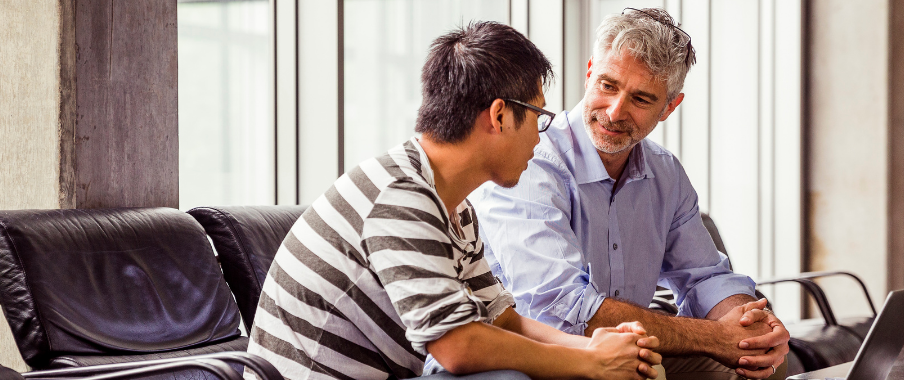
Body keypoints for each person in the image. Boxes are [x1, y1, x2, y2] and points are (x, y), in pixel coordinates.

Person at [245, 21, 663, 380]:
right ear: (499, 116)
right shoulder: (400, 198)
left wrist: (591, 349)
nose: (540, 136)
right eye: (538, 116)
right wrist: (588, 364)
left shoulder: (454, 205)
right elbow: (457, 347)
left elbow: (504, 320)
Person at [472, 8, 791, 380]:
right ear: (590, 72)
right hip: (541, 358)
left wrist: (750, 326)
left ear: (669, 107)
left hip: (628, 351)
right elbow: (561, 309)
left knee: (759, 364)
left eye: (641, 99)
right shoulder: (529, 161)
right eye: (608, 85)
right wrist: (714, 336)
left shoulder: (664, 172)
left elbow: (705, 276)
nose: (615, 111)